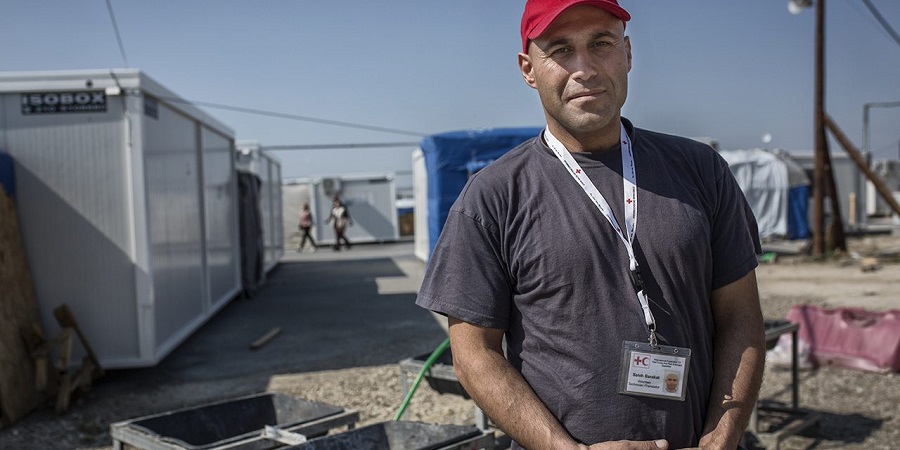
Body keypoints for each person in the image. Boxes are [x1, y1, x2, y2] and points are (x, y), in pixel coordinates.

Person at [415, 1, 766, 449]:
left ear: (628, 53)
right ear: (528, 70)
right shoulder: (493, 196)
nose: (585, 68)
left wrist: (721, 439)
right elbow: (474, 355)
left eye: (601, 43)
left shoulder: (700, 170)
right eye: (561, 50)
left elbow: (740, 316)